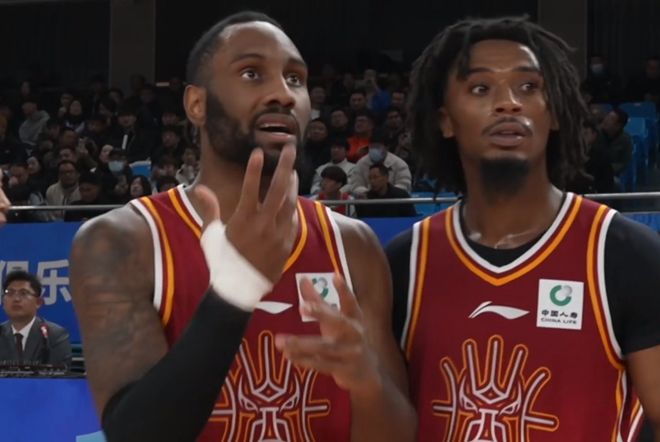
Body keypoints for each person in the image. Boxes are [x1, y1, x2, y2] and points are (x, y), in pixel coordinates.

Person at [69, 11, 414, 442]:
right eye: (252, 73)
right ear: (197, 104)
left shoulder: (352, 244)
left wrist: (368, 384)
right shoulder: (121, 241)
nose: (283, 93)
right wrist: (234, 291)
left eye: (295, 79)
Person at [387, 16, 660, 441]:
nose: (509, 103)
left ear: (554, 114)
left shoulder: (626, 253)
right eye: (481, 88)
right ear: (445, 120)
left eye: (529, 86)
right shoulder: (403, 263)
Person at [0, 270, 72, 369]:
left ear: (38, 302)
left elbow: (59, 374)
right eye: (10, 293)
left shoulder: (55, 335)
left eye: (23, 293)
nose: (16, 299)